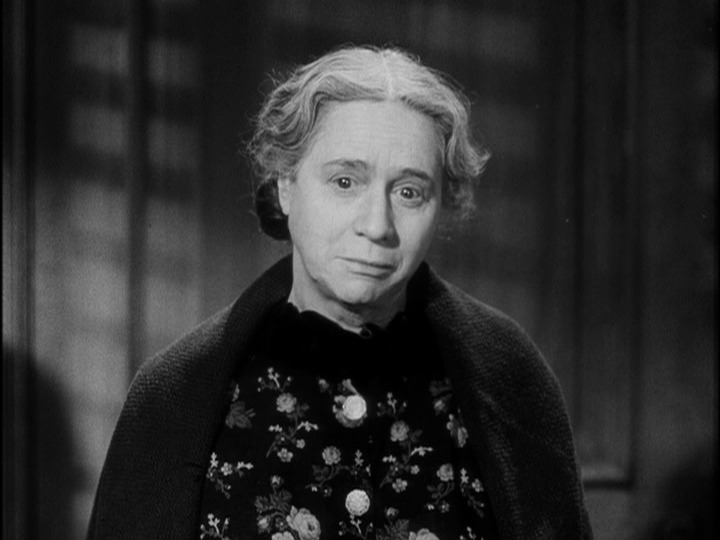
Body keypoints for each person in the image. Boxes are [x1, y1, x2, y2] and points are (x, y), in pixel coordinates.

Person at [88, 45, 592, 539]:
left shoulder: (509, 376)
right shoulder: (175, 394)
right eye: (345, 181)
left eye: (409, 192)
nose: (377, 225)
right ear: (286, 186)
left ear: (441, 205)